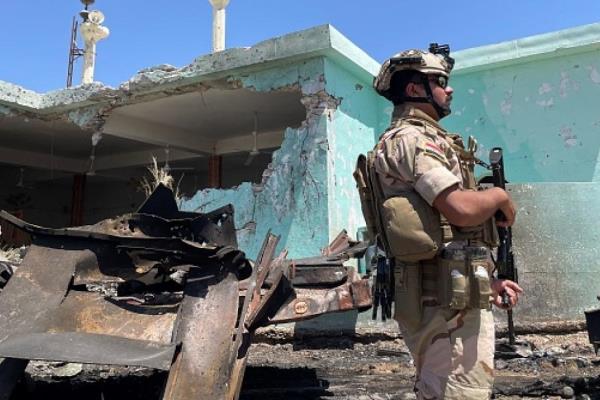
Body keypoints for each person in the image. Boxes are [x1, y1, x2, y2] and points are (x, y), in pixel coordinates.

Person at [362, 44, 523, 399]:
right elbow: (460, 209)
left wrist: (488, 282)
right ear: (414, 89)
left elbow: (446, 234)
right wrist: (500, 197)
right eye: (440, 81)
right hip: (442, 304)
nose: (449, 90)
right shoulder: (412, 139)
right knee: (459, 392)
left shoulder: (423, 137)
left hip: (449, 295)